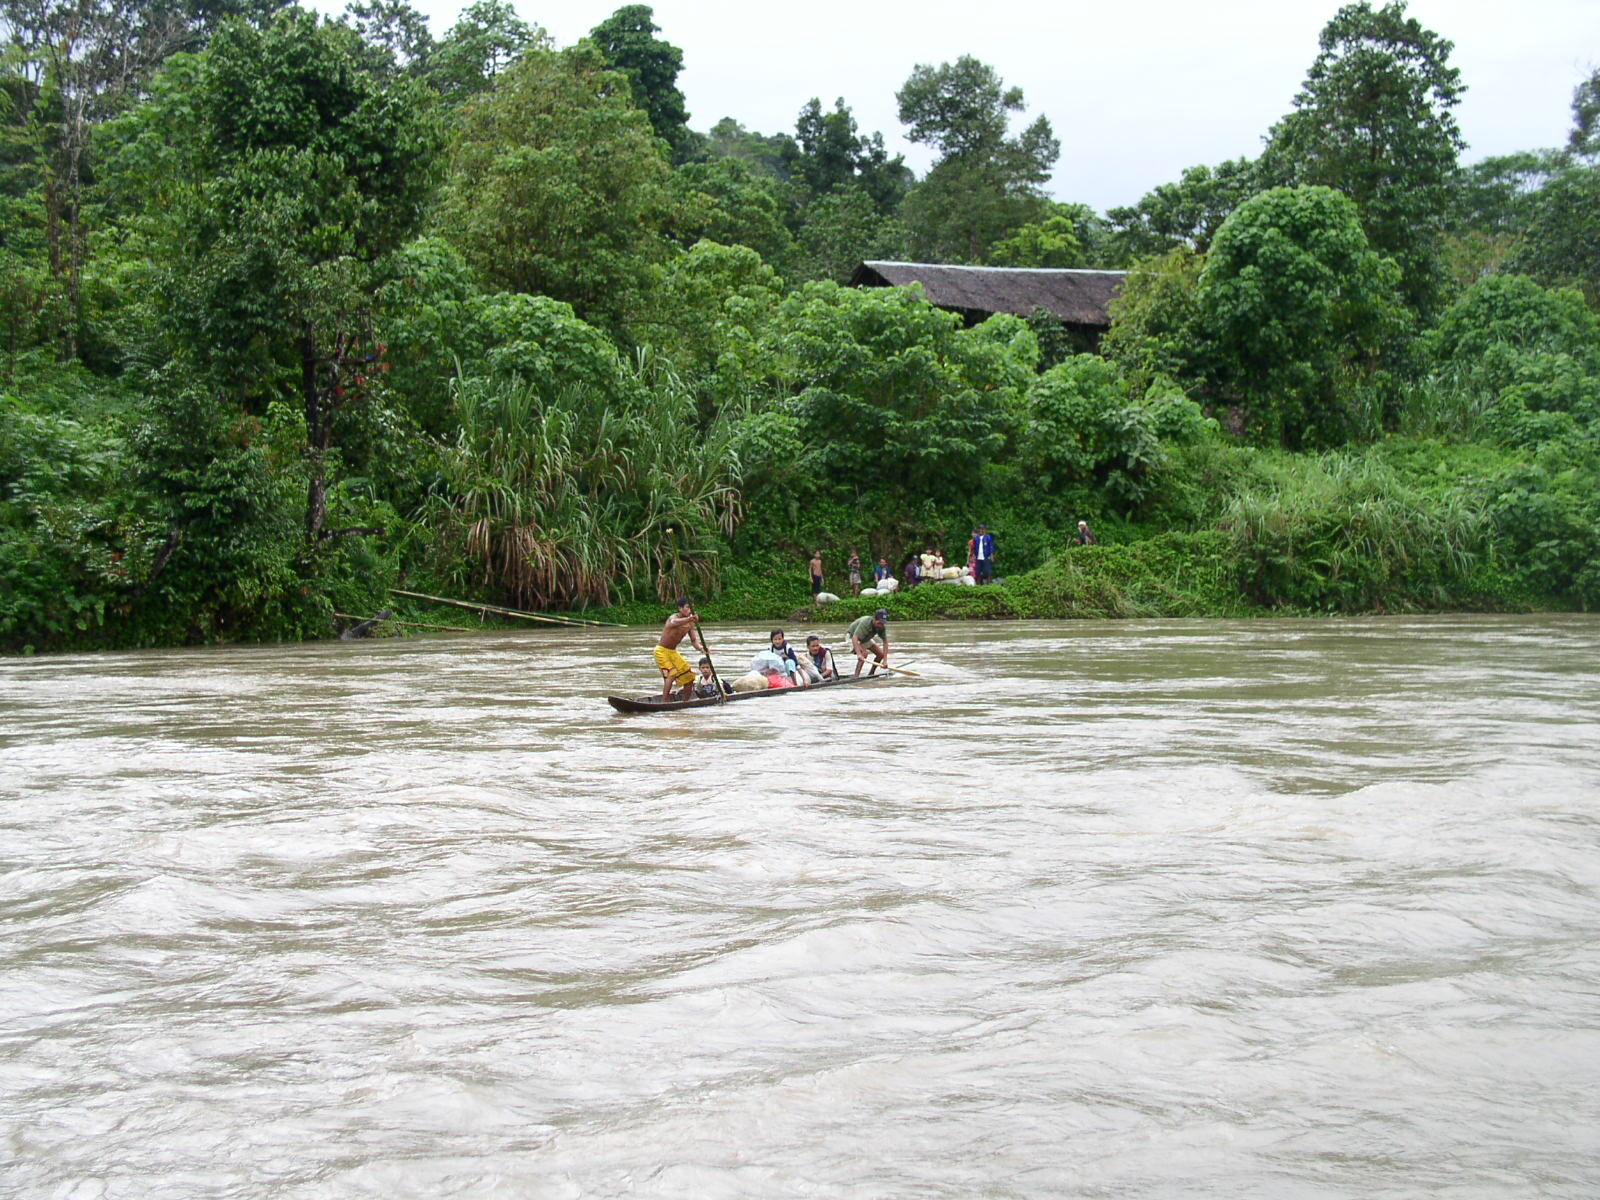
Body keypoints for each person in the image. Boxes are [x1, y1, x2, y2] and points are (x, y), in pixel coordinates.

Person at [655, 596, 706, 701]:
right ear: (680, 608)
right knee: (671, 674)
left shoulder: (690, 623)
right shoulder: (673, 618)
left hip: (673, 652)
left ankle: (685, 702)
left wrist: (701, 648)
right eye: (687, 607)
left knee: (689, 676)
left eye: (691, 608)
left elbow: (694, 640)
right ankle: (664, 702)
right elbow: (674, 623)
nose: (690, 610)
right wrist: (689, 618)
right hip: (661, 651)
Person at [847, 608, 890, 677]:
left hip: (865, 638)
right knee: (863, 654)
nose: (880, 625)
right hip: (852, 636)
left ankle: (871, 673)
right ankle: (856, 676)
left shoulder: (881, 627)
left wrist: (885, 661)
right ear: (874, 619)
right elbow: (855, 638)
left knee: (880, 654)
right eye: (879, 623)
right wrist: (859, 654)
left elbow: (885, 643)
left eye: (882, 623)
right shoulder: (865, 623)